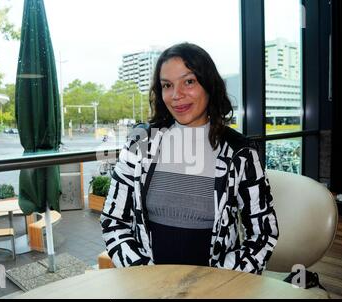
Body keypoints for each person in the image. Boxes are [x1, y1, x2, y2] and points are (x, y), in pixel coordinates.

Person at [100, 43, 279, 274]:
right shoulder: (141, 142)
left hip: (216, 287)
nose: (176, 95)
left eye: (189, 81)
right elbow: (113, 221)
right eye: (167, 85)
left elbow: (263, 233)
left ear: (209, 85)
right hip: (147, 284)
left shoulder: (240, 152)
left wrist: (219, 279)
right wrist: (143, 273)